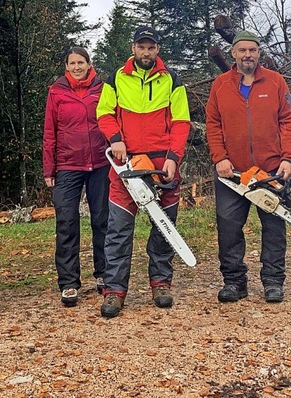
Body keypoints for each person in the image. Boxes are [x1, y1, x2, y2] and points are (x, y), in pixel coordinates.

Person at [96, 26, 191, 318]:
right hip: (125, 164)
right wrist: (116, 139)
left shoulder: (172, 80)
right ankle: (114, 290)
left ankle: (161, 282)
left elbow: (181, 121)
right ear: (133, 48)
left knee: (163, 228)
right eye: (141, 47)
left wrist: (174, 157)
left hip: (162, 164)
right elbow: (104, 113)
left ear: (157, 49)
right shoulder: (116, 78)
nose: (146, 52)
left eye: (151, 47)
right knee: (118, 231)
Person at [205, 30, 291, 304]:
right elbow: (213, 124)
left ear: (259, 53)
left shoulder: (276, 82)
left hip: (270, 169)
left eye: (252, 50)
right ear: (233, 53)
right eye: (242, 50)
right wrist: (219, 157)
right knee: (229, 227)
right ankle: (234, 281)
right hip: (232, 173)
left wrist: (287, 158)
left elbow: (290, 120)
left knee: (273, 226)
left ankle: (273, 281)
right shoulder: (221, 85)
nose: (248, 55)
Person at [43, 47, 109, 307]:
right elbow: (50, 131)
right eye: (72, 63)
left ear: (89, 64)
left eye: (81, 62)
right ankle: (69, 283)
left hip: (101, 163)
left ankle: (104, 275)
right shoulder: (56, 91)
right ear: (66, 66)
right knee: (67, 222)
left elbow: (112, 122)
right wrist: (49, 168)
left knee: (102, 220)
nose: (77, 67)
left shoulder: (102, 89)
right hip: (67, 165)